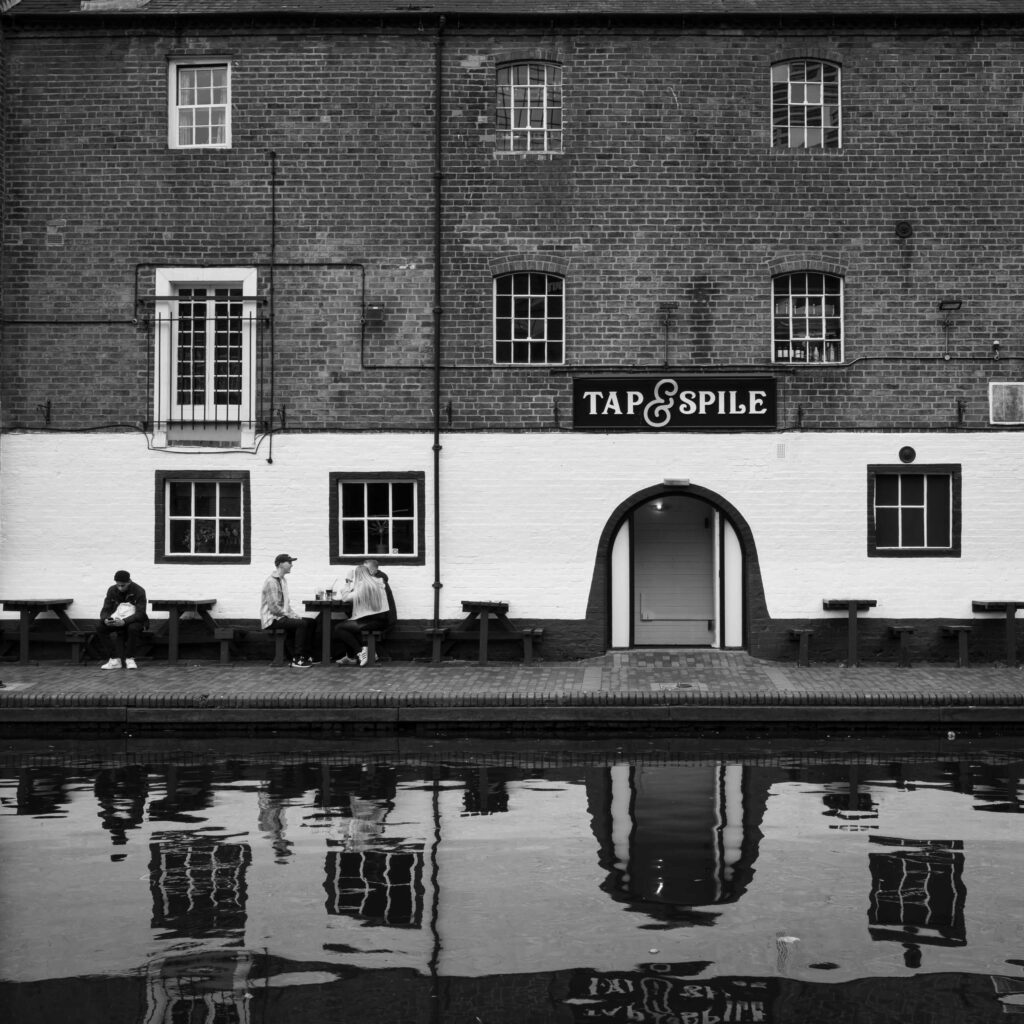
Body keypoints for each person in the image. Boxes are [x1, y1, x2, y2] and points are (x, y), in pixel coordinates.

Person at [333, 564, 397, 666]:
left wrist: (348, 580)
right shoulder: (378, 582)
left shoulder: (363, 586)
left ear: (359, 575)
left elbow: (345, 598)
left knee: (339, 628)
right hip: (381, 619)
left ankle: (360, 653)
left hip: (372, 621)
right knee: (346, 626)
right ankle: (353, 656)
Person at [260, 553, 315, 667]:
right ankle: (297, 658)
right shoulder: (272, 582)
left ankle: (305, 654)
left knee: (311, 622)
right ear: (281, 564)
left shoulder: (283, 580)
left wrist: (293, 615)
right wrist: (289, 615)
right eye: (289, 562)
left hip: (281, 616)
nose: (292, 565)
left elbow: (286, 605)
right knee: (302, 624)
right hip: (272, 619)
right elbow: (274, 607)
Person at [97, 569, 149, 670]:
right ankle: (114, 659)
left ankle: (130, 658)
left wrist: (124, 622)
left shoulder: (139, 591)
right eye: (118, 585)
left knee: (133, 628)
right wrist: (106, 619)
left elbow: (141, 614)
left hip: (133, 621)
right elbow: (105, 609)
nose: (120, 588)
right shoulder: (112, 590)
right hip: (116, 620)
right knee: (100, 627)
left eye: (123, 585)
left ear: (129, 582)